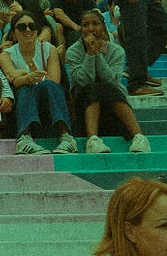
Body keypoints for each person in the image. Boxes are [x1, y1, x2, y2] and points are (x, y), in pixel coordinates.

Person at [64, 10, 151, 154]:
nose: (91, 29)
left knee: (108, 88)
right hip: (84, 106)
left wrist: (97, 54)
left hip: (112, 104)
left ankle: (139, 137)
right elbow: (84, 81)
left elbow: (111, 80)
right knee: (93, 88)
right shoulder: (73, 52)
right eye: (86, 25)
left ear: (103, 26)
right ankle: (92, 140)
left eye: (95, 24)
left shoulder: (116, 51)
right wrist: (90, 54)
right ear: (81, 29)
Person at [0, 10, 73, 156]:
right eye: (21, 27)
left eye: (32, 26)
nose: (28, 30)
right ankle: (24, 138)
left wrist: (27, 77)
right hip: (21, 102)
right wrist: (27, 79)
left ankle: (67, 137)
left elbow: (54, 80)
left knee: (48, 85)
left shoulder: (48, 49)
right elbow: (13, 78)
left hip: (47, 99)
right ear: (13, 33)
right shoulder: (6, 55)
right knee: (26, 87)